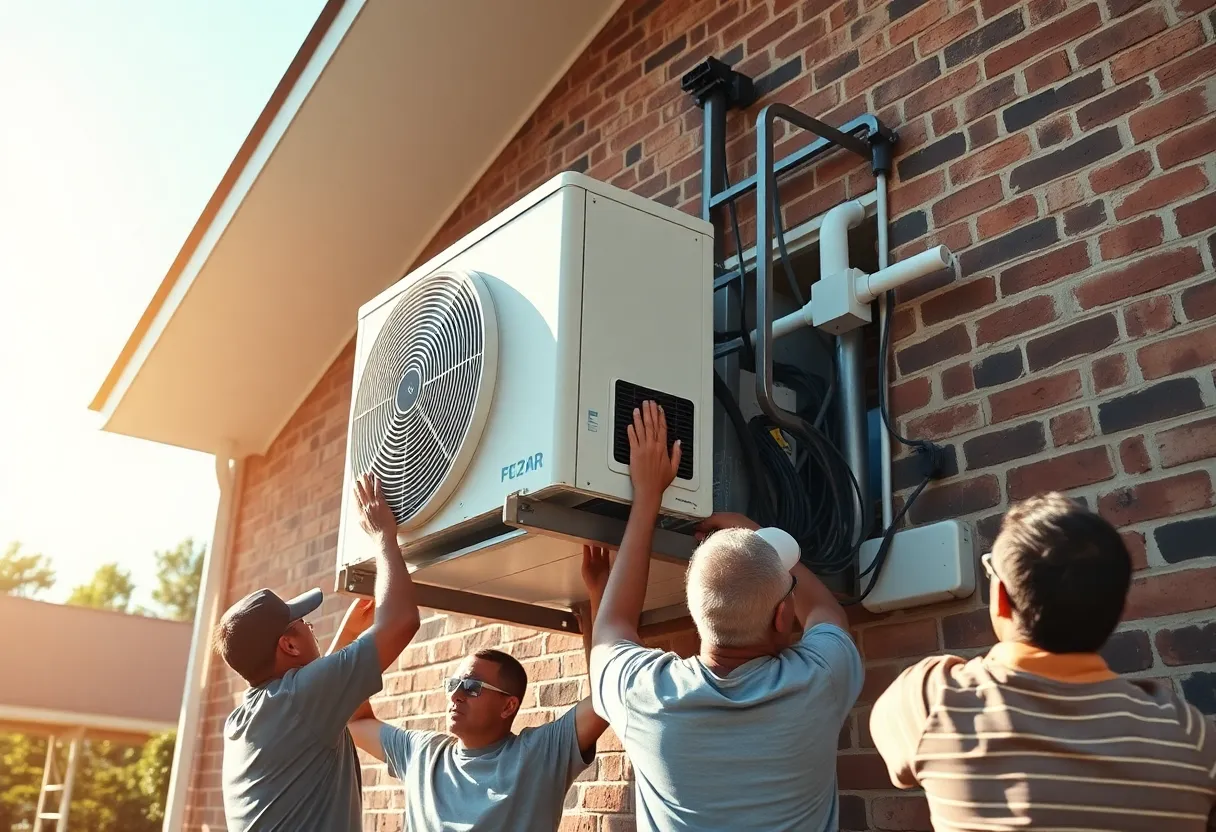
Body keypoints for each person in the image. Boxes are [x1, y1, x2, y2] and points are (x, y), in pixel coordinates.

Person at [589, 400, 864, 831]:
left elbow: (610, 630)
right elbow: (828, 612)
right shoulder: (821, 680)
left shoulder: (646, 696)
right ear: (780, 616)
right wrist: (750, 532)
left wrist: (647, 496)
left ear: (698, 615)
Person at [871, 492, 1216, 830]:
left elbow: (897, 763)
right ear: (1118, 612)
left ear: (1001, 598)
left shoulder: (933, 698)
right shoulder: (1190, 735)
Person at [344, 544, 611, 830]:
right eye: (453, 684)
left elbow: (607, 695)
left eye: (472, 687)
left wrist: (599, 594)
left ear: (509, 706)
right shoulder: (422, 753)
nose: (456, 696)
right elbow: (354, 718)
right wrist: (351, 634)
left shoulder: (538, 755)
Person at [218, 472, 421, 831]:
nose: (311, 629)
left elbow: (307, 701)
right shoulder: (300, 700)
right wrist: (383, 537)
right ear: (289, 644)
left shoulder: (243, 720)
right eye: (304, 625)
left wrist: (349, 635)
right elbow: (402, 620)